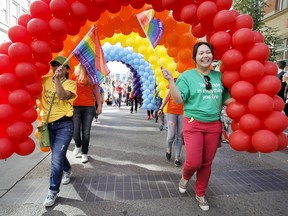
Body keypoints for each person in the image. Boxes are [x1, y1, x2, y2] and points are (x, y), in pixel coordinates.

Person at [161, 42, 234, 212]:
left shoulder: (220, 77)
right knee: (194, 161)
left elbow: (226, 99)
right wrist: (171, 80)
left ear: (212, 56)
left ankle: (200, 193)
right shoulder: (187, 77)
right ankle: (185, 177)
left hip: (214, 125)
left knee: (207, 163)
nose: (205, 56)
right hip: (193, 123)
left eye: (208, 52)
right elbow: (179, 100)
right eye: (201, 53)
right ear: (195, 58)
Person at [38, 56, 77, 207]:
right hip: (48, 125)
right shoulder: (44, 80)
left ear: (67, 70)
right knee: (57, 155)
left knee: (56, 158)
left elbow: (61, 96)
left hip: (64, 125)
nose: (56, 67)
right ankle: (67, 170)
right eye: (54, 65)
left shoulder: (71, 84)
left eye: (61, 65)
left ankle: (52, 191)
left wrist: (57, 80)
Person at [71, 64, 102, 163]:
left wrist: (99, 105)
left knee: (86, 132)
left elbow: (97, 91)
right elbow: (70, 89)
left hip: (89, 106)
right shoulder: (75, 73)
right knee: (75, 131)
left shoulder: (93, 74)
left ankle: (84, 153)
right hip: (75, 106)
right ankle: (78, 145)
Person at [158, 85, 184, 167]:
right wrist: (161, 108)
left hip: (183, 113)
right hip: (171, 113)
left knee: (180, 136)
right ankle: (168, 148)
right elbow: (166, 97)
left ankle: (177, 157)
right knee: (171, 135)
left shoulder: (188, 85)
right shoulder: (174, 85)